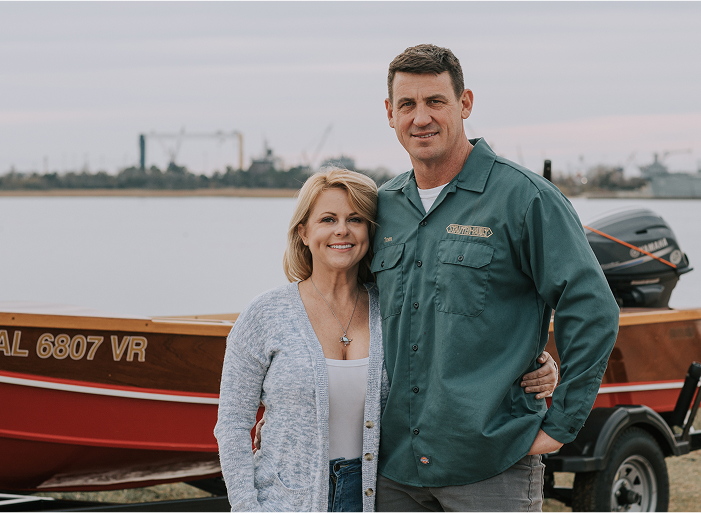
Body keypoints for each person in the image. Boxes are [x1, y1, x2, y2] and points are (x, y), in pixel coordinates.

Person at [213, 168, 559, 512]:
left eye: (356, 219)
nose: (342, 231)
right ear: (303, 232)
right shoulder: (265, 314)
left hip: (375, 496)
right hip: (283, 500)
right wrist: (246, 506)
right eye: (328, 219)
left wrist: (538, 362)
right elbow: (232, 424)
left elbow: (454, 345)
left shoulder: (394, 308)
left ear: (371, 232)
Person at [372, 44, 621, 511]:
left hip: (491, 466)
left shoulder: (525, 199)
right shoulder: (380, 208)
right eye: (407, 104)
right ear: (390, 113)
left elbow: (592, 308)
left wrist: (559, 424)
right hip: (394, 470)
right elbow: (341, 310)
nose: (420, 117)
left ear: (464, 104)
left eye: (435, 102)